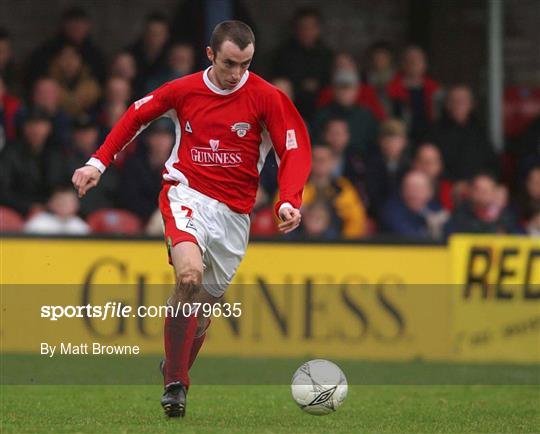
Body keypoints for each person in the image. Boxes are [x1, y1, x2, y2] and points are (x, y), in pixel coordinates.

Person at [72, 21, 310, 418]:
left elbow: (295, 148)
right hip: (187, 195)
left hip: (235, 215)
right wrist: (98, 161)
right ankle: (176, 384)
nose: (237, 74)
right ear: (211, 55)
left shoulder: (267, 97)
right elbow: (135, 115)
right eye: (230, 63)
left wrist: (289, 200)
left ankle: (174, 362)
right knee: (188, 277)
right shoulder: (183, 90)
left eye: (246, 64)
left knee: (201, 317)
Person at [271, 7, 334, 121]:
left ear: (318, 29)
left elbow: (329, 81)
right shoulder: (283, 54)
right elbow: (278, 81)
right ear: (295, 29)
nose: (307, 31)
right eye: (303, 27)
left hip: (322, 108)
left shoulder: (327, 55)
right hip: (293, 105)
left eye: (311, 27)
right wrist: (302, 84)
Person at [430, 85, 499, 182]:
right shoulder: (434, 132)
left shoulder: (479, 131)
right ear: (447, 104)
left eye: (463, 100)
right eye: (454, 100)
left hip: (477, 188)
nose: (459, 104)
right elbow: (430, 166)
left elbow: (492, 164)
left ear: (472, 105)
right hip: (446, 188)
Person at [301, 144, 367, 239]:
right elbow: (281, 215)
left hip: (337, 243)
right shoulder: (297, 186)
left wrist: (344, 243)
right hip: (300, 241)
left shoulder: (343, 188)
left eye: (324, 160)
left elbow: (356, 219)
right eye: (316, 159)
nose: (320, 163)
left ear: (332, 162)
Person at [0, 110, 56, 216]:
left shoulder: (55, 153)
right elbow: (3, 192)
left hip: (53, 212)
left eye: (40, 125)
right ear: (24, 128)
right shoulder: (10, 153)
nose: (36, 130)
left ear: (49, 128)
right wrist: (29, 206)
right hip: (17, 213)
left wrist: (56, 203)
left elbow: (60, 185)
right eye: (31, 125)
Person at [387, 45, 442, 141]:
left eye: (418, 60)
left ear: (425, 64)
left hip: (430, 138)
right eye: (410, 60)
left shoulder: (435, 89)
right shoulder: (391, 89)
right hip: (400, 140)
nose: (414, 63)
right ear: (403, 64)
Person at [380, 170, 447, 239]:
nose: (413, 192)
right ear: (402, 191)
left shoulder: (435, 208)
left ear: (430, 192)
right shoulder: (392, 211)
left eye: (418, 188)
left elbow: (452, 234)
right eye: (409, 188)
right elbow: (410, 238)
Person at [365, 119, 410, 218]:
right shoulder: (371, 165)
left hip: (405, 212)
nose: (392, 144)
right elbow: (373, 195)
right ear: (380, 142)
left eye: (396, 140)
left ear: (404, 142)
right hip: (378, 213)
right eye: (388, 140)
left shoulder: (410, 166)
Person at [446, 173, 517, 234]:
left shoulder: (505, 216)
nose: (482, 194)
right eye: (478, 189)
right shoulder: (460, 214)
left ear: (494, 192)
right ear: (471, 191)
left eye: (486, 190)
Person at [24, 186, 89, 235]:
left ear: (77, 205)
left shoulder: (81, 226)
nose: (64, 205)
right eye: (60, 201)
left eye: (69, 202)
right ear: (50, 203)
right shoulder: (38, 223)